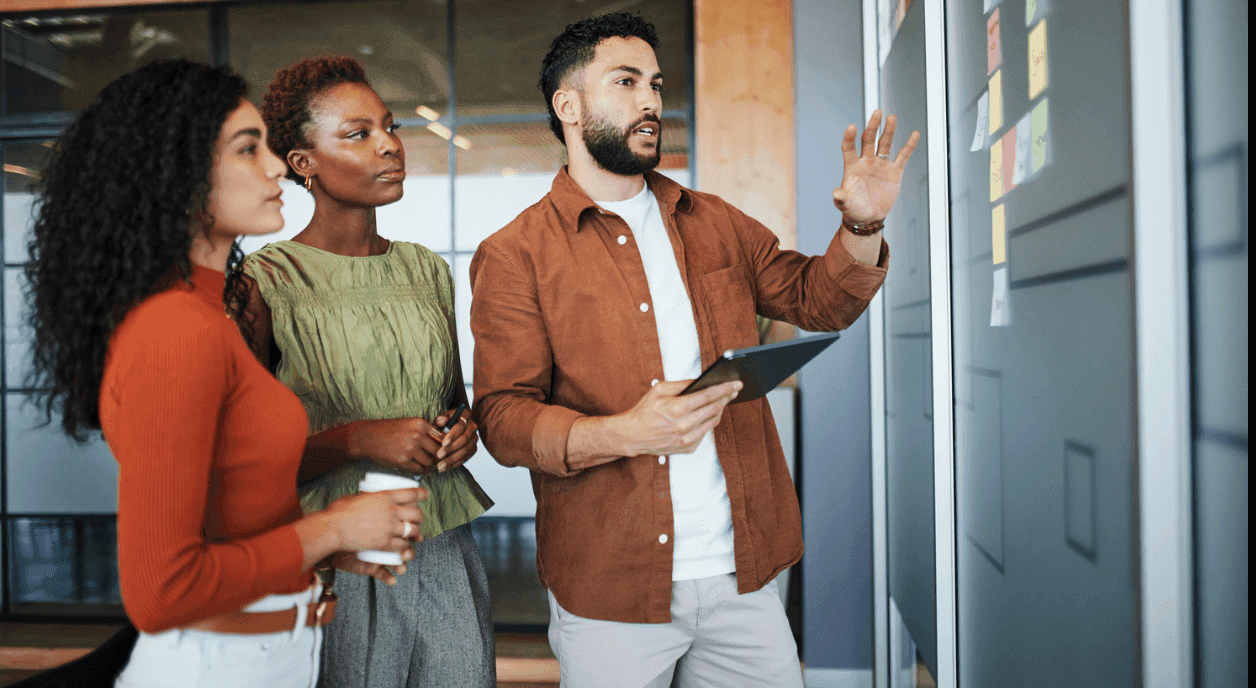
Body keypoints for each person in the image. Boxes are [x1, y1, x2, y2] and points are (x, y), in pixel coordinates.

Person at [469, 12, 918, 688]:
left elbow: (819, 300)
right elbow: (503, 419)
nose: (650, 100)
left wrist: (862, 223)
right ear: (569, 105)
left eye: (654, 83)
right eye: (625, 82)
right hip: (610, 588)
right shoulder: (514, 254)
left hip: (743, 574)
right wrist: (623, 432)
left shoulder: (713, 222)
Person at [24, 58, 425, 687]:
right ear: (177, 178)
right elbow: (162, 591)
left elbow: (230, 513)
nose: (275, 168)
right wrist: (328, 527)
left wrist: (326, 544)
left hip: (267, 655)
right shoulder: (176, 331)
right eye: (248, 149)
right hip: (218, 667)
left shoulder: (207, 315)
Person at [242, 55, 496, 688]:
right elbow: (237, 466)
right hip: (335, 554)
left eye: (389, 127)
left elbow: (454, 402)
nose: (388, 146)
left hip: (441, 542)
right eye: (357, 134)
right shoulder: (265, 284)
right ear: (303, 163)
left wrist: (463, 432)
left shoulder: (427, 270)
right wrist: (355, 439)